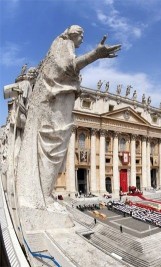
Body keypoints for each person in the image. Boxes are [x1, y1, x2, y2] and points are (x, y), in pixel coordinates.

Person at [16, 25, 121, 211]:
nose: (83, 39)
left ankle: (44, 194)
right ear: (74, 34)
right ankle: (44, 195)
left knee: (55, 150)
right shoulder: (63, 44)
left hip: (56, 102)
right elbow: (68, 66)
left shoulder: (63, 46)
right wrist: (95, 55)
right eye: (82, 36)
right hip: (53, 105)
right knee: (53, 148)